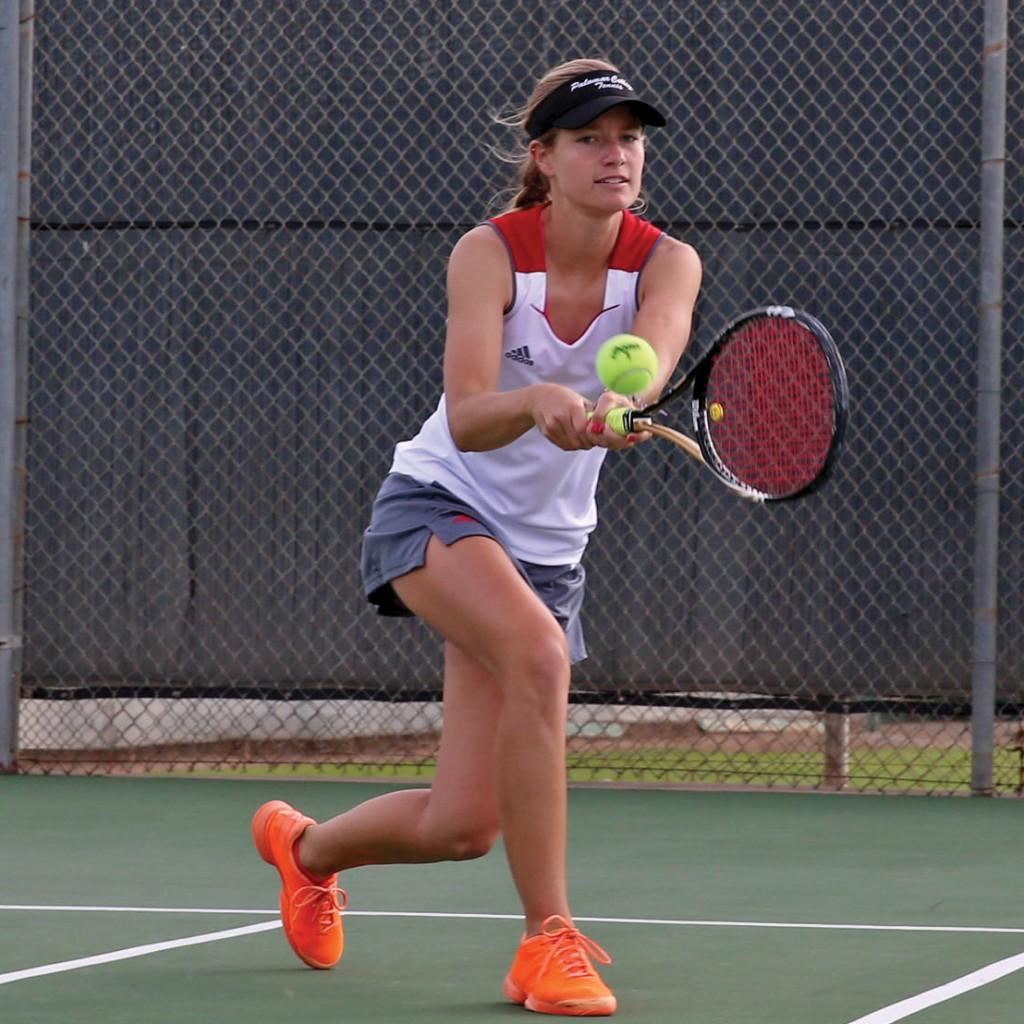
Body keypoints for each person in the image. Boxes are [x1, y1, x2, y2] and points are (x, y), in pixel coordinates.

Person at [251, 57, 702, 1017]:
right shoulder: (489, 252)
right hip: (437, 506)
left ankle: (304, 851)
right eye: (590, 138)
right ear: (543, 157)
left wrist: (625, 397)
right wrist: (540, 402)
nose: (615, 155)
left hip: (545, 553)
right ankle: (548, 943)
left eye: (629, 137)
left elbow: (658, 349)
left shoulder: (666, 260)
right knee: (540, 656)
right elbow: (466, 413)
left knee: (461, 827)